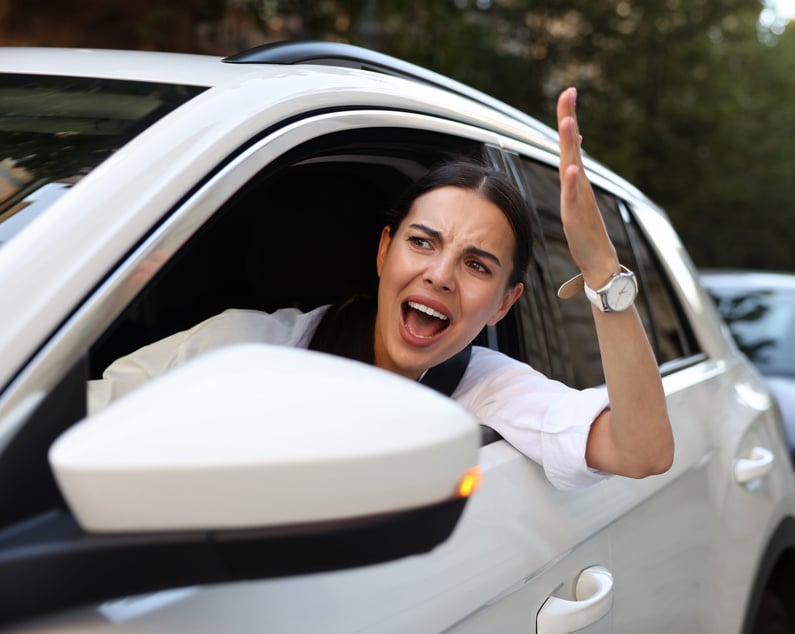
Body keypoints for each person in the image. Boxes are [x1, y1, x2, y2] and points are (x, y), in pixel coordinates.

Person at [87, 88, 674, 491]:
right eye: (422, 242)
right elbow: (81, 422)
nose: (440, 275)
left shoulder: (489, 388)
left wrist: (601, 269)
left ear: (505, 303)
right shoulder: (249, 348)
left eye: (476, 265)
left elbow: (642, 450)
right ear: (383, 251)